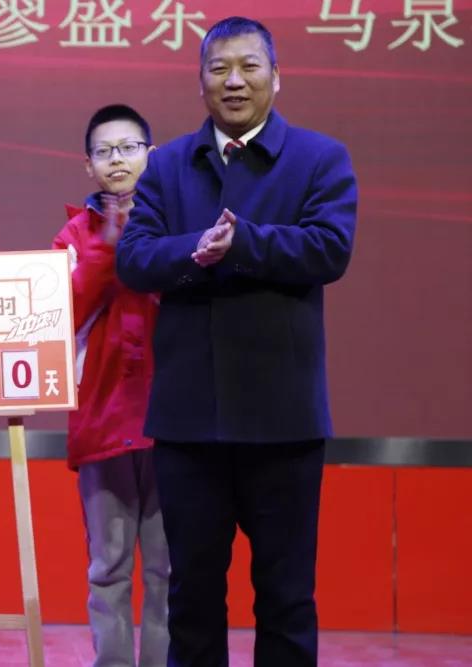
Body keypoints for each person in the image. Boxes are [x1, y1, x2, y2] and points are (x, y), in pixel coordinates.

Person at [116, 16, 358, 667]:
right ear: (200, 81)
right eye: (219, 68)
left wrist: (244, 242)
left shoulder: (320, 158)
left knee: (286, 596)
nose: (234, 81)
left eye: (249, 66)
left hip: (284, 422)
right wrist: (195, 250)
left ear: (276, 77)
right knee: (191, 595)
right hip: (189, 422)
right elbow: (134, 258)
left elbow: (330, 248)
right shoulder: (167, 165)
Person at [52, 104, 169, 667]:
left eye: (128, 148)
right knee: (108, 569)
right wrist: (107, 243)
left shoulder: (178, 220)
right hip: (101, 422)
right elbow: (61, 316)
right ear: (88, 165)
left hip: (173, 422)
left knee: (171, 571)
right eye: (104, 152)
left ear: (151, 154)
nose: (117, 160)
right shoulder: (72, 237)